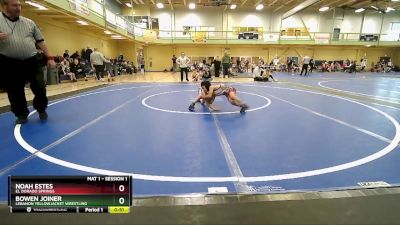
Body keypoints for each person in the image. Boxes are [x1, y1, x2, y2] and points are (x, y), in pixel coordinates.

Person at [0, 0, 56, 124]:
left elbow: (41, 42)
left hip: (32, 61)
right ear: (4, 6)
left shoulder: (29, 22)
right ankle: (21, 114)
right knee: (14, 91)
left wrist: (50, 58)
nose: (18, 8)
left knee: (40, 87)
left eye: (19, 5)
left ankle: (41, 109)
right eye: (14, 5)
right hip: (9, 62)